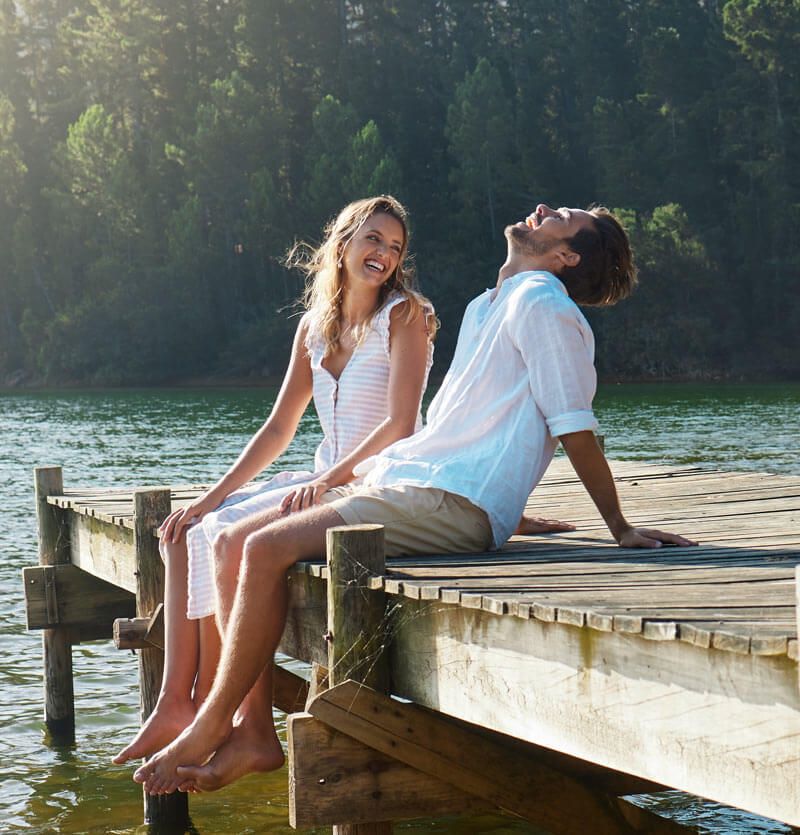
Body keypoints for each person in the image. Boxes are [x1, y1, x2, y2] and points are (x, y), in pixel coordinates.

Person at [134, 201, 696, 796]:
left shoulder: (542, 305)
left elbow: (573, 424)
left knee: (265, 547)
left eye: (561, 216)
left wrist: (619, 525)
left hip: (449, 502)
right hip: (415, 486)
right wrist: (514, 510)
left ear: (566, 256)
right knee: (233, 538)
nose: (541, 209)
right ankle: (245, 728)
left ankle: (222, 724)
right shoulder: (489, 307)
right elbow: (460, 431)